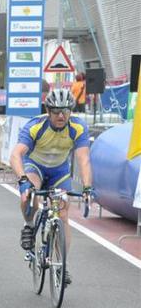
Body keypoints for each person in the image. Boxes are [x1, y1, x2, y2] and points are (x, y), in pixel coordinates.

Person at [10, 88, 93, 284]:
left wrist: (87, 187)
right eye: (56, 111)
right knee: (29, 195)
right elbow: (15, 155)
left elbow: (83, 159)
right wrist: (23, 180)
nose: (61, 116)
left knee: (63, 213)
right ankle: (29, 225)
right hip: (35, 166)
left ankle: (62, 264)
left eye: (66, 111)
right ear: (48, 111)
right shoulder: (35, 126)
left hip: (59, 171)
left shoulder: (78, 127)